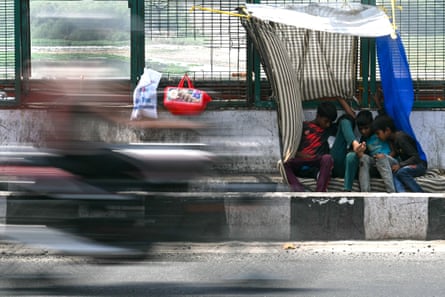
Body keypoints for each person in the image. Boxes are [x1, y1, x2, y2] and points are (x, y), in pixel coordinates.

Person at [283, 101, 337, 192]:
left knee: (327, 158)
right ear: (318, 116)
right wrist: (300, 154)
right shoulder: (303, 126)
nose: (328, 125)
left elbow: (347, 120)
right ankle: (298, 190)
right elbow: (291, 148)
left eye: (330, 122)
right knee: (284, 164)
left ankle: (319, 193)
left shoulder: (329, 129)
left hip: (316, 163)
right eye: (326, 121)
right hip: (301, 162)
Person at [371, 115, 427, 192]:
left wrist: (400, 165)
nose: (377, 136)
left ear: (387, 130)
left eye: (378, 133)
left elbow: (416, 157)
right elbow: (395, 153)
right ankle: (401, 195)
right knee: (394, 172)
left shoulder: (400, 138)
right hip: (407, 165)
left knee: (402, 172)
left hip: (420, 165)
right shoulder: (391, 140)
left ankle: (421, 194)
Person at [352, 110, 397, 192]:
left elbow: (394, 151)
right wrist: (360, 153)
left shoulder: (380, 132)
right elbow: (366, 157)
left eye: (366, 128)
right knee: (364, 158)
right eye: (360, 129)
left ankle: (391, 192)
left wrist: (383, 157)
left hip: (389, 162)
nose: (363, 131)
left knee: (381, 158)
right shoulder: (364, 139)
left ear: (371, 124)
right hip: (376, 163)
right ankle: (365, 193)